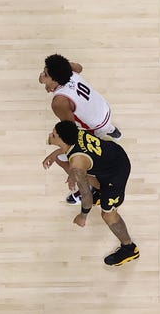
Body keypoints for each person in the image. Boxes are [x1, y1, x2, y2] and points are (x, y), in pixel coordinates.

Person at [49, 120, 138, 267]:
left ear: (64, 140)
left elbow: (86, 196)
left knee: (108, 214)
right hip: (113, 154)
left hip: (116, 175)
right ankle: (101, 191)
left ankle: (129, 248)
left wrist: (83, 216)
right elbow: (71, 149)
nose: (50, 135)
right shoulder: (77, 132)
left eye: (53, 135)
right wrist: (54, 155)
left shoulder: (77, 165)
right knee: (80, 172)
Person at [39, 54, 123, 204]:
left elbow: (70, 133)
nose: (41, 75)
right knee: (98, 121)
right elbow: (79, 67)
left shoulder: (59, 103)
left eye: (45, 74)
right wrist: (50, 80)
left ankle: (90, 189)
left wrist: (61, 155)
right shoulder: (70, 71)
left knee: (62, 159)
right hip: (105, 109)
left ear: (56, 80)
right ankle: (112, 131)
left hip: (95, 126)